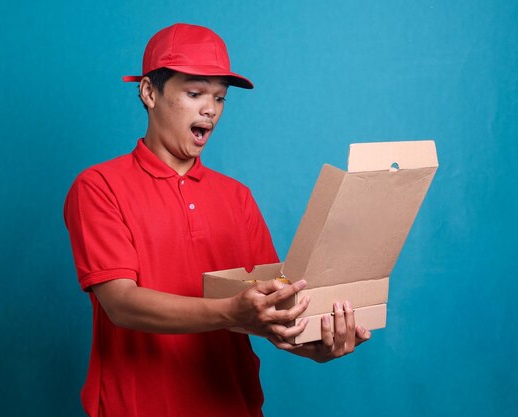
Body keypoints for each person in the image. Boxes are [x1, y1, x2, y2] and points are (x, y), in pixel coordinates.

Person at [64, 23, 371, 417]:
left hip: (233, 405)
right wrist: (232, 311)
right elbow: (122, 304)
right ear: (148, 92)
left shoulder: (237, 196)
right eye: (194, 94)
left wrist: (314, 343)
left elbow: (269, 307)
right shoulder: (99, 186)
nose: (210, 109)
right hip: (137, 407)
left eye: (220, 98)